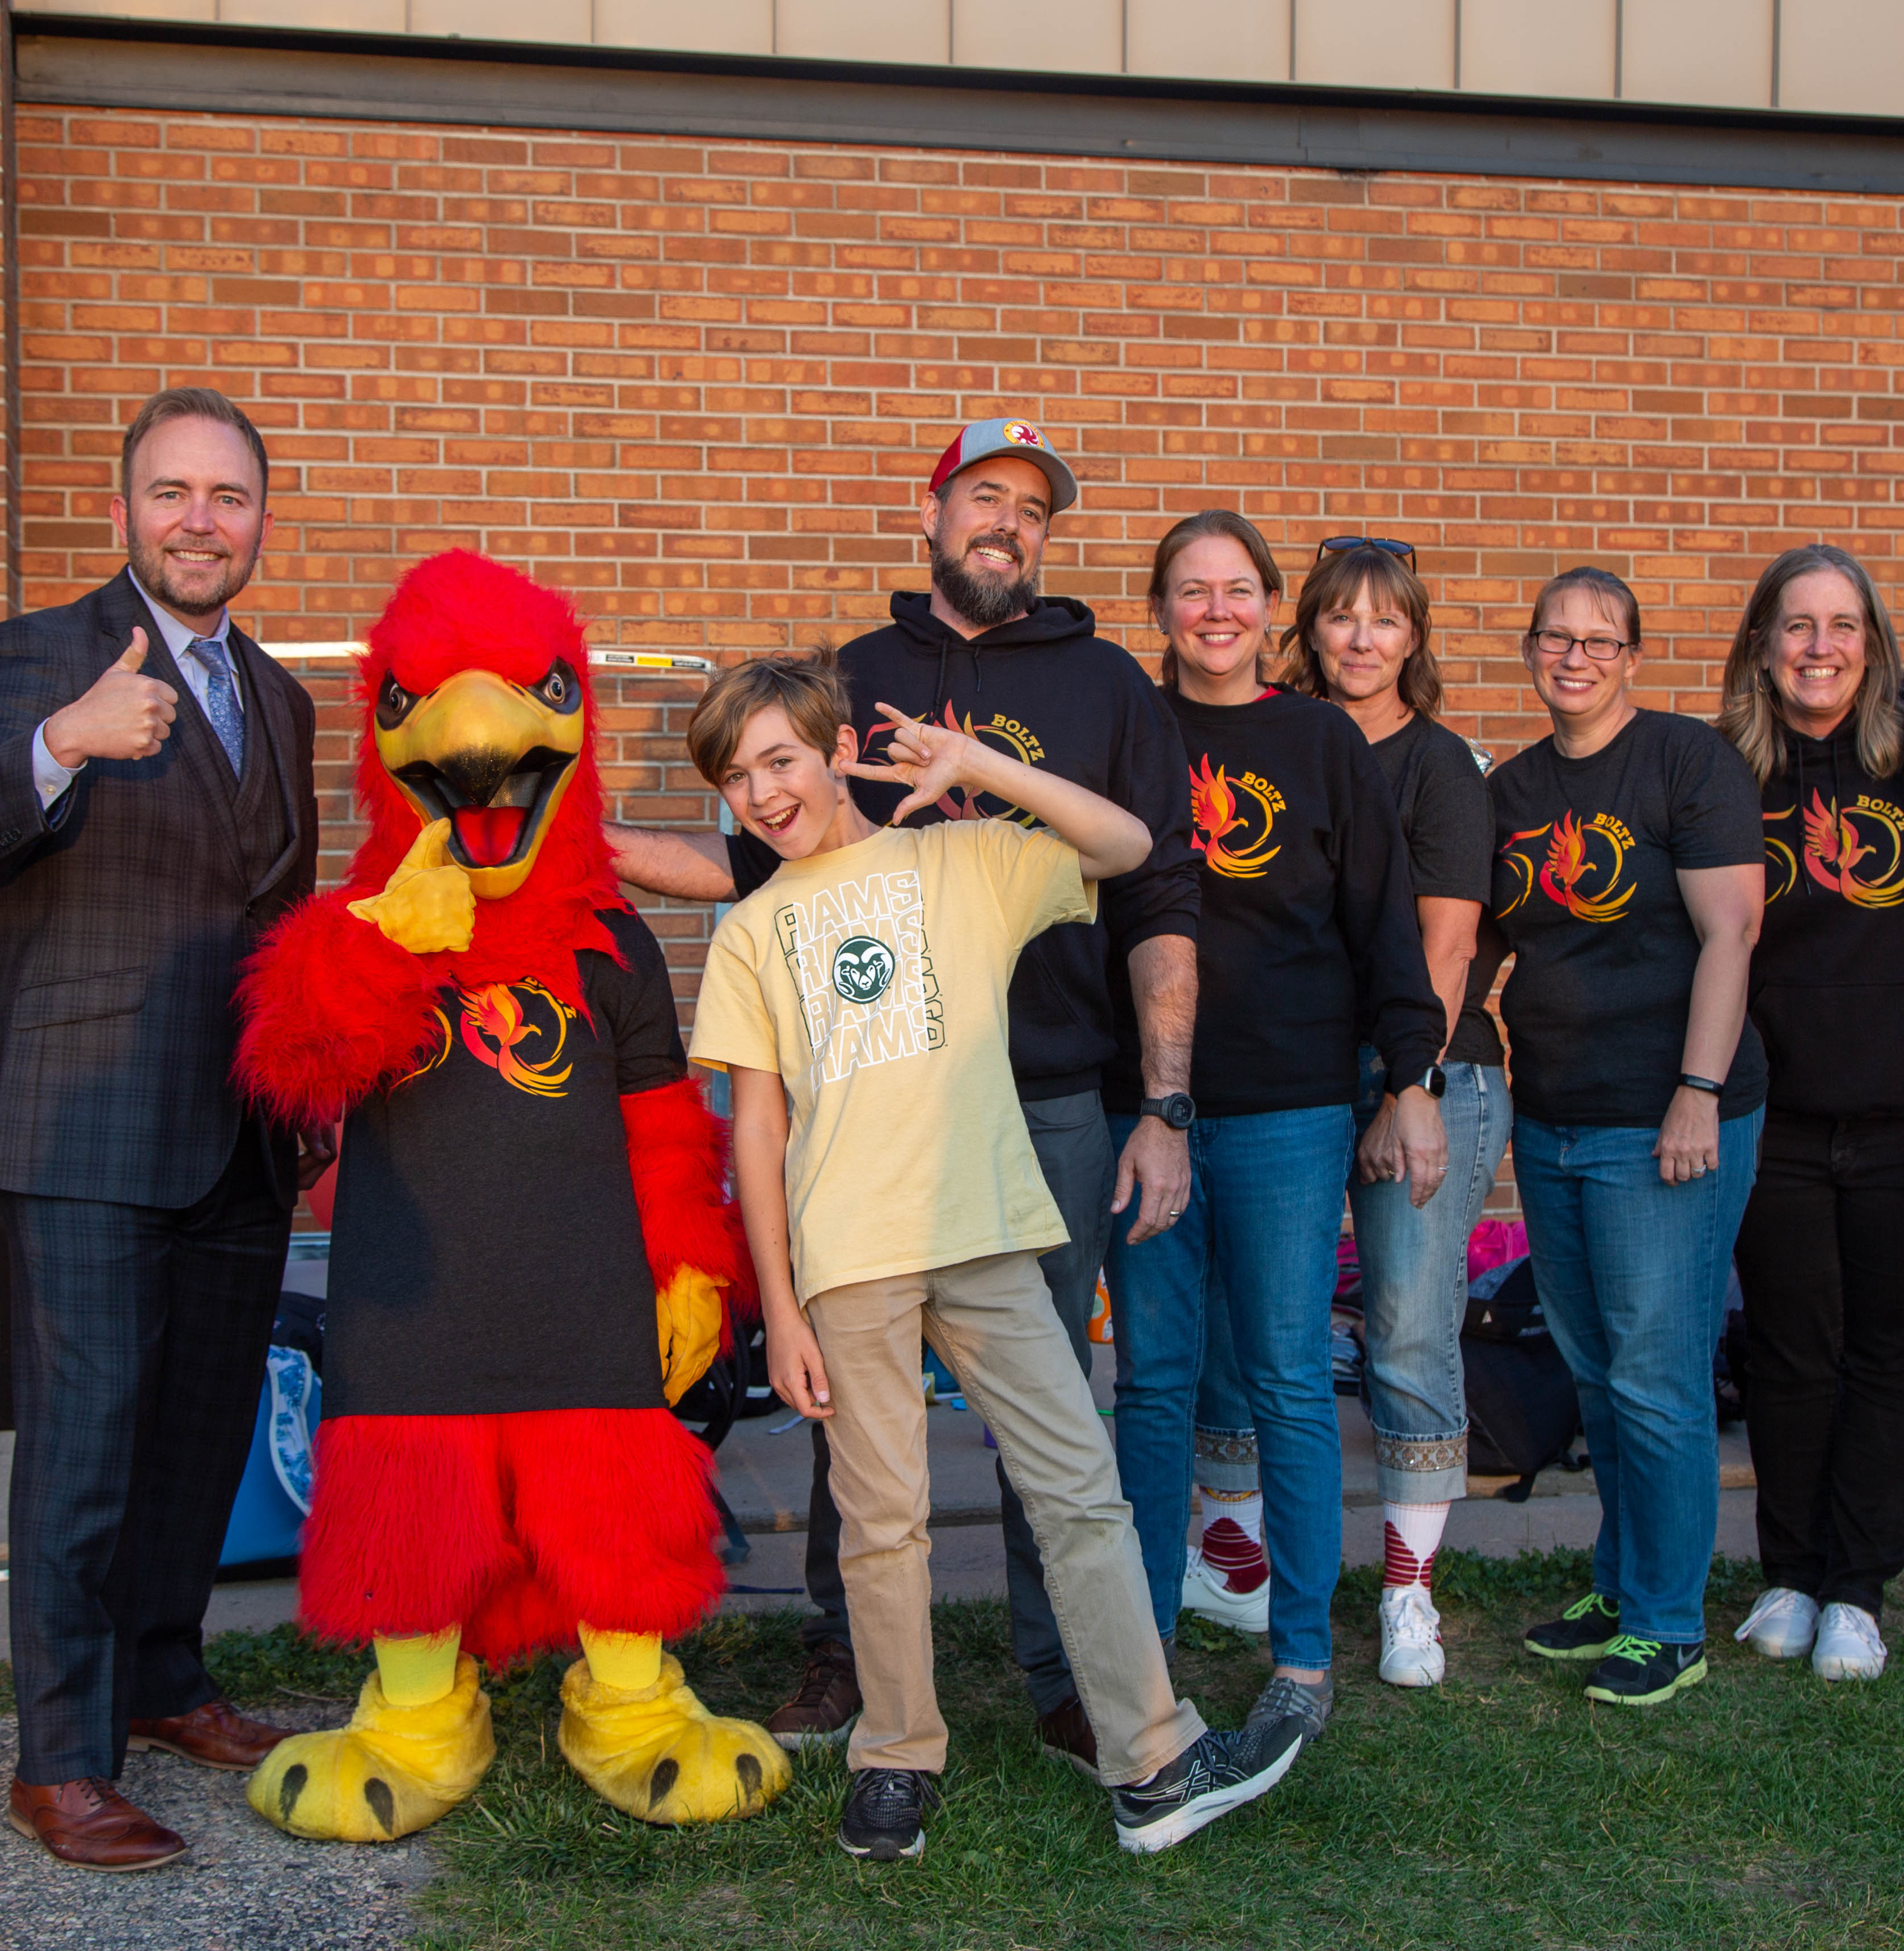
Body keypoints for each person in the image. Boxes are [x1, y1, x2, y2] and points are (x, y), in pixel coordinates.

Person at [607, 417, 1198, 1771]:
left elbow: (1143, 870)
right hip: (855, 1158)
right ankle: (860, 1676)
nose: (1006, 522)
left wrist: (1157, 1103)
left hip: (1031, 1112)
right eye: (982, 496)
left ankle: (1071, 1681)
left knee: (1051, 1432)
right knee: (866, 1464)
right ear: (929, 514)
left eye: (1031, 508)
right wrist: (588, 846)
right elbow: (755, 860)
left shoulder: (1104, 685)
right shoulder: (849, 679)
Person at [686, 654, 1298, 1863]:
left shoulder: (963, 859)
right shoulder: (752, 930)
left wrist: (979, 768)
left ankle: (1152, 1760)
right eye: (734, 777)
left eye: (778, 760)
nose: (761, 794)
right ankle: (895, 1757)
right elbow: (756, 1128)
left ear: (831, 750)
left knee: (1079, 1492)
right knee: (880, 1520)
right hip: (848, 1257)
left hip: (983, 1232)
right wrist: (780, 1303)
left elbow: (1126, 845)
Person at [0, 387, 322, 1866]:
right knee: (83, 1444)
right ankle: (60, 1757)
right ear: (124, 511)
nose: (200, 520)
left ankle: (160, 1678)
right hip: (83, 1121)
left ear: (260, 518)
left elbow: (271, 912)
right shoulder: (42, 653)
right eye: (172, 493)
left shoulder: (280, 696)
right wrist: (63, 746)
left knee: (199, 1436)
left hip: (239, 1129)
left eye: (227, 496)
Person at [1104, 512, 1446, 1752]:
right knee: (1149, 1383)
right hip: (1141, 1111)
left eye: (1237, 590)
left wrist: (1409, 1075)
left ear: (1269, 611)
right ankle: (1135, 1644)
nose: (1214, 612)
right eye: (1189, 592)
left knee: (1290, 1379)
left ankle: (1299, 1650)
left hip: (1290, 1108)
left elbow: (1383, 917)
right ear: (1158, 609)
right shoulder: (1126, 730)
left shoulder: (1318, 740)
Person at [1187, 537, 1510, 1691]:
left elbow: (1445, 940)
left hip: (1422, 1071)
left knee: (1405, 1327)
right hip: (1291, 1078)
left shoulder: (1438, 766)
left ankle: (1407, 1592)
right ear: (1305, 629)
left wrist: (1403, 1085)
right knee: (1249, 1318)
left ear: (1413, 637)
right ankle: (1234, 1560)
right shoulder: (1281, 745)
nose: (1361, 639)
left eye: (1385, 620)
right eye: (1339, 618)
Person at [1486, 567, 1767, 1708]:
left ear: (1633, 656)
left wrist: (1694, 1088)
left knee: (1655, 1376)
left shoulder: (1684, 762)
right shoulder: (1509, 787)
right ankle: (1619, 1582)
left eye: (1599, 641)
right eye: (1555, 637)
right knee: (1596, 1374)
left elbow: (1730, 931)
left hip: (1665, 1125)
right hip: (1550, 1115)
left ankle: (1666, 1622)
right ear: (1531, 649)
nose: (1575, 657)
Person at [1716, 545, 1904, 1683]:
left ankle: (1857, 1588)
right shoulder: (1721, 773)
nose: (1817, 646)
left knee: (1889, 1356)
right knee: (1788, 1355)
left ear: (1875, 647)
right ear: (1761, 645)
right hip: (1772, 1116)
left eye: (1841, 626)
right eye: (1795, 625)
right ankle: (1787, 1572)